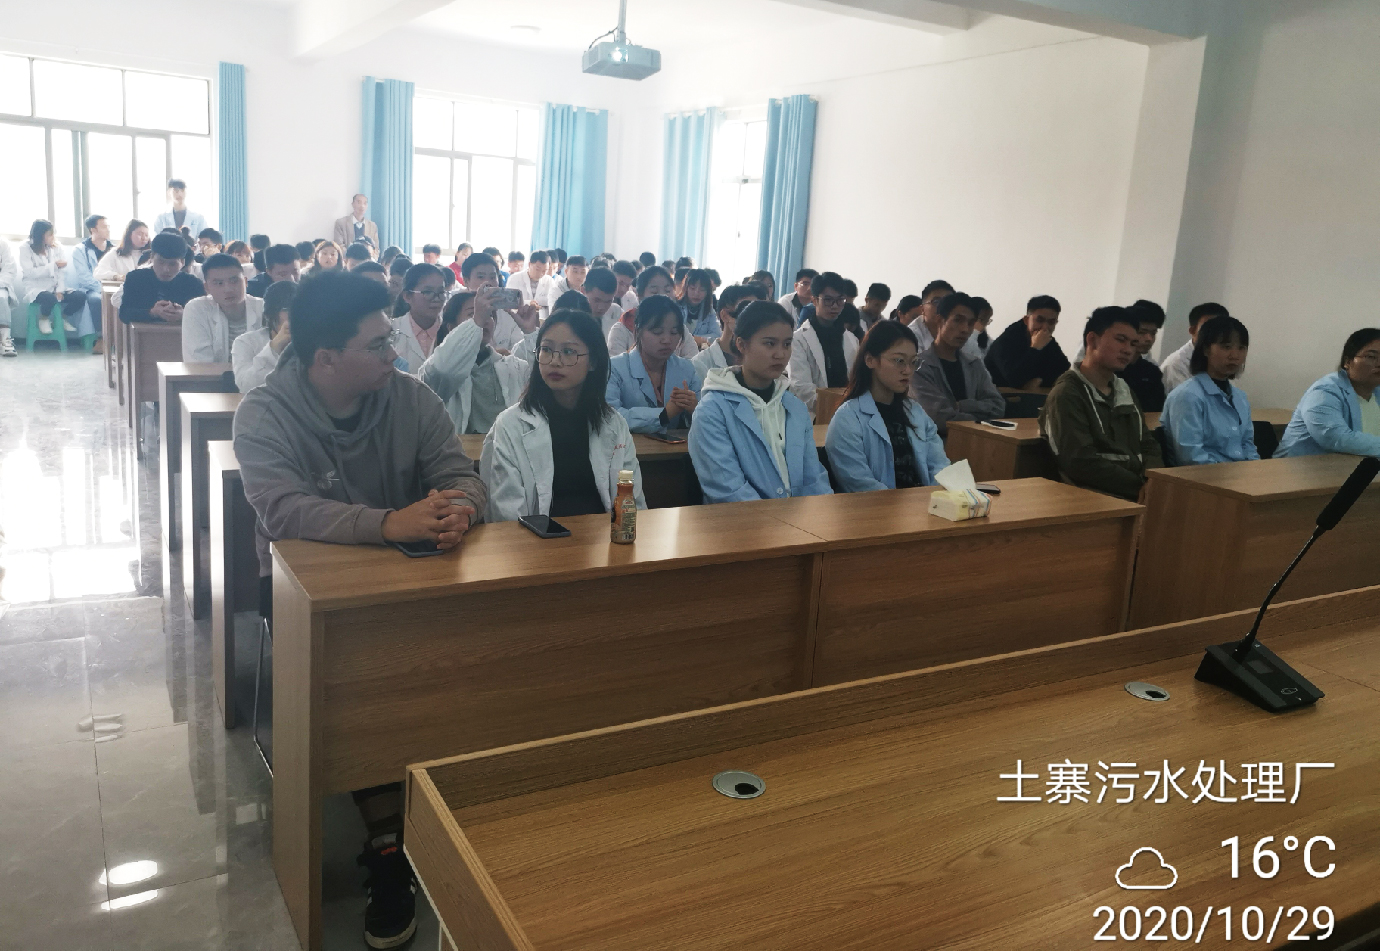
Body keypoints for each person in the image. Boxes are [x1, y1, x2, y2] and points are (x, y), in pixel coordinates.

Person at [234, 270, 485, 951]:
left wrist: (457, 511)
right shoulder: (264, 414)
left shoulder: (411, 397)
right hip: (308, 596)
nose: (393, 355)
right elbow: (283, 510)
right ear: (325, 358)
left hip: (413, 578)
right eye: (377, 345)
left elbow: (459, 473)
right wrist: (387, 522)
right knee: (364, 685)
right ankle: (387, 844)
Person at [482, 310, 646, 521]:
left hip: (605, 537)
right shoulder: (511, 425)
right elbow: (507, 516)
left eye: (569, 351)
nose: (555, 361)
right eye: (546, 350)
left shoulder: (613, 423)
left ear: (593, 361)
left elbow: (633, 504)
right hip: (534, 540)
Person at [690, 301, 833, 503]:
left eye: (787, 344)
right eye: (769, 343)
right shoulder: (712, 410)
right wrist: (781, 519)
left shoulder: (794, 406)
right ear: (741, 345)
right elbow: (728, 489)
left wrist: (820, 514)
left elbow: (813, 478)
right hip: (742, 519)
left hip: (799, 518)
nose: (780, 354)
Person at [1040, 306, 1163, 500]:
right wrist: (1140, 487)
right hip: (1092, 496)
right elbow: (1080, 462)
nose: (1128, 350)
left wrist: (1154, 481)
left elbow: (1148, 444)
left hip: (1137, 492)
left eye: (1133, 343)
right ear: (1092, 340)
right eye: (1120, 340)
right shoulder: (1067, 393)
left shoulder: (1123, 389)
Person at [825, 320, 949, 492]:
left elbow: (940, 467)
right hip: (875, 507)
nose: (908, 370)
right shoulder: (847, 419)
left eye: (913, 362)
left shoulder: (915, 411)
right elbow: (859, 483)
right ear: (870, 360)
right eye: (899, 361)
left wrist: (934, 498)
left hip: (923, 503)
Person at [415, 292, 526, 435]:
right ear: (451, 328)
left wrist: (529, 332)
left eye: (490, 314)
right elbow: (442, 371)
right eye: (473, 314)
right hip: (458, 448)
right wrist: (476, 323)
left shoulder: (513, 366)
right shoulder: (439, 366)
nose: (485, 319)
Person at [1159, 315, 1257, 466]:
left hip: (1237, 474)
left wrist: (1255, 470)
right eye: (1226, 347)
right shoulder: (1188, 396)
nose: (1235, 356)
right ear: (1205, 349)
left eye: (1241, 348)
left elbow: (1248, 445)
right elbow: (1190, 457)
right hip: (1200, 476)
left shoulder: (1240, 397)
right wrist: (1233, 474)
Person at [1276, 329, 1380, 459]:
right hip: (1299, 468)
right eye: (1371, 357)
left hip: (1355, 466)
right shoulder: (1324, 392)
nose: (1379, 364)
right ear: (1347, 362)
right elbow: (1336, 438)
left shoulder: (1376, 392)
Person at [911, 292, 1005, 435]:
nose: (965, 329)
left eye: (970, 323)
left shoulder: (974, 364)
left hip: (977, 440)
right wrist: (981, 419)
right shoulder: (919, 366)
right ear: (940, 320)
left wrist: (962, 405)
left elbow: (998, 407)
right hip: (937, 444)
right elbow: (939, 418)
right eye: (957, 320)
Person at [606, 295, 701, 434]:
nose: (667, 340)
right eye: (657, 332)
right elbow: (610, 418)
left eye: (674, 332)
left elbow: (706, 422)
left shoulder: (687, 369)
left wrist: (695, 409)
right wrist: (664, 415)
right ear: (637, 332)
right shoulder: (614, 368)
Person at [787, 271, 859, 416]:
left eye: (840, 300)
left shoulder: (851, 339)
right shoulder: (798, 339)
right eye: (828, 300)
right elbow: (800, 387)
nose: (835, 306)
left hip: (848, 413)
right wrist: (835, 404)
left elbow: (856, 381)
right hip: (813, 415)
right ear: (814, 300)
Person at [183, 253, 264, 363]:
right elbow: (198, 362)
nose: (228, 289)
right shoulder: (196, 309)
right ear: (207, 288)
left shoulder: (264, 308)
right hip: (210, 374)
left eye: (234, 281)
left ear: (245, 282)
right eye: (219, 283)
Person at [460, 253, 540, 357]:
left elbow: (522, 358)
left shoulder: (509, 314)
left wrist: (529, 332)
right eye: (480, 277)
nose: (488, 282)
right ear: (466, 281)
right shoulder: (458, 310)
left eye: (493, 277)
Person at [607, 265, 695, 358]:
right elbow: (616, 364)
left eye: (667, 291)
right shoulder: (622, 329)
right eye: (654, 292)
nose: (662, 296)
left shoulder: (678, 328)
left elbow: (694, 361)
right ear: (640, 296)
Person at [985, 295, 1070, 388]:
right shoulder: (1006, 341)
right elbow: (1015, 380)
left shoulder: (1046, 339)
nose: (1045, 327)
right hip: (997, 394)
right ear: (1026, 320)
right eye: (1040, 320)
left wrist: (1041, 380)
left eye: (1051, 322)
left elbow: (1064, 371)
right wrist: (1035, 349)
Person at [119, 232, 204, 324]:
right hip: (144, 332)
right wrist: (152, 313)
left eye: (172, 264)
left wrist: (185, 315)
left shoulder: (193, 284)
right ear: (151, 258)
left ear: (182, 262)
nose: (166, 269)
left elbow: (204, 316)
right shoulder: (135, 279)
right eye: (161, 262)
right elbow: (124, 314)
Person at [19, 220, 84, 337]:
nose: (53, 237)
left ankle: (62, 318)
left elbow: (62, 272)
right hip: (35, 287)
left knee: (80, 296)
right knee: (49, 298)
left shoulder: (57, 247)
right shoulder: (25, 248)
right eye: (49, 235)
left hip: (54, 287)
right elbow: (30, 273)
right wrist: (53, 266)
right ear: (40, 235)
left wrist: (60, 289)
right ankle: (43, 318)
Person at [233, 280, 296, 392]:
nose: (296, 316)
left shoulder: (315, 341)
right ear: (269, 315)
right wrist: (274, 347)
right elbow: (246, 387)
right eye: (288, 310)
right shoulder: (246, 342)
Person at [692, 284, 761, 382]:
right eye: (745, 313)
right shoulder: (701, 363)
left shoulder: (762, 360)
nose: (753, 321)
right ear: (725, 316)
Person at [1160, 302, 1231, 393]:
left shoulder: (1222, 359)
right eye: (1208, 329)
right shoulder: (1177, 365)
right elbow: (1188, 399)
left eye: (1221, 329)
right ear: (1192, 330)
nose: (1215, 335)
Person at [391, 263, 447, 373]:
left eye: (441, 292)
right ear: (407, 296)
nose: (436, 298)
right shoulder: (391, 331)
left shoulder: (452, 330)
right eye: (428, 292)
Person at [67, 213, 112, 344]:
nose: (108, 229)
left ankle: (122, 337)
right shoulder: (80, 250)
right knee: (96, 300)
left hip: (114, 287)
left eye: (108, 226)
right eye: (104, 227)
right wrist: (103, 289)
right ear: (93, 230)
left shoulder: (114, 249)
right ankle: (101, 337)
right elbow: (84, 277)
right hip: (92, 289)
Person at [1116, 299, 1167, 412]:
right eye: (1142, 332)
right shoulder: (1111, 368)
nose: (1149, 339)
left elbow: (1158, 411)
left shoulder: (1152, 371)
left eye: (1153, 333)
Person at [95, 220, 150, 284]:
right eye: (140, 234)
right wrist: (116, 276)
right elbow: (98, 273)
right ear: (129, 234)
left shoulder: (152, 255)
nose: (144, 238)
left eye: (146, 235)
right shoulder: (116, 253)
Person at [581, 266, 622, 339]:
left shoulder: (617, 313)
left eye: (608, 301)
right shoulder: (569, 318)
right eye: (596, 300)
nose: (601, 307)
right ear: (583, 291)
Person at [678, 268, 718, 342]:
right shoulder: (675, 307)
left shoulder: (709, 311)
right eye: (692, 288)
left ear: (707, 292)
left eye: (702, 290)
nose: (697, 293)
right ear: (686, 288)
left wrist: (698, 339)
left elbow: (717, 335)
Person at [0, 238, 19, 356]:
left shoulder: (3, 244)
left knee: (1, 297)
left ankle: (5, 340)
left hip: (0, 285)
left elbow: (9, 270)